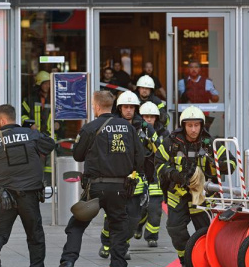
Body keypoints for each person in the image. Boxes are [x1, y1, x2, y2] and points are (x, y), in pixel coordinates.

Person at [59, 91, 144, 267]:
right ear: (112, 106)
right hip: (120, 188)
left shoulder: (90, 128)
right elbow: (140, 158)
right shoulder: (128, 128)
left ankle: (68, 260)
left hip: (95, 188)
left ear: (97, 106)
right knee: (118, 228)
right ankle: (118, 263)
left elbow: (77, 155)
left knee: (76, 225)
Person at [155, 105, 236, 267]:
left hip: (202, 197)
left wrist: (220, 165)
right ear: (183, 125)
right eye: (190, 125)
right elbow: (159, 164)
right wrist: (173, 174)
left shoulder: (210, 143)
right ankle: (186, 259)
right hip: (177, 195)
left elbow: (232, 162)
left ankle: (208, 259)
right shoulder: (171, 142)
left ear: (202, 125)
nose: (193, 129)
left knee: (207, 232)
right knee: (175, 229)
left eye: (197, 125)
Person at [0, 104, 55, 267]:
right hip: (29, 195)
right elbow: (50, 144)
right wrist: (35, 130)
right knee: (35, 235)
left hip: (5, 196)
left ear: (2, 120)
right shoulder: (31, 134)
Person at [99, 91, 146, 261]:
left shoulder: (144, 128)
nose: (128, 110)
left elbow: (157, 151)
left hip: (136, 179)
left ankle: (122, 245)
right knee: (113, 215)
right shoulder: (111, 125)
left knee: (133, 218)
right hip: (116, 178)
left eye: (131, 107)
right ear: (119, 108)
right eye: (125, 107)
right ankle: (107, 243)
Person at [134, 102, 170, 247]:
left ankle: (151, 236)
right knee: (141, 207)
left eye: (152, 117)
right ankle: (137, 226)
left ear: (157, 118)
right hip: (140, 174)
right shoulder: (134, 131)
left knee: (155, 209)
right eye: (146, 116)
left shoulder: (163, 134)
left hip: (156, 175)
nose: (149, 120)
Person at [21, 70, 63, 186]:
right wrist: (30, 124)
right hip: (35, 136)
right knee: (36, 162)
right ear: (39, 84)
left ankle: (49, 184)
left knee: (50, 165)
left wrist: (59, 123)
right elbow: (22, 114)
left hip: (50, 136)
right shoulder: (31, 99)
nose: (47, 86)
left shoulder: (55, 98)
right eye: (45, 83)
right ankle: (36, 183)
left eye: (49, 83)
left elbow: (61, 114)